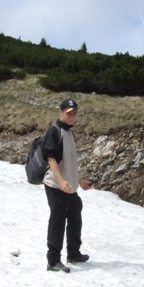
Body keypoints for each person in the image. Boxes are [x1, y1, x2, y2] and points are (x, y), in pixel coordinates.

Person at [41, 98, 92, 273]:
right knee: (58, 219)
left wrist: (80, 181)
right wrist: (61, 180)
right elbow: (51, 159)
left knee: (75, 212)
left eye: (74, 113)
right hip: (55, 185)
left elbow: (71, 162)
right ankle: (53, 260)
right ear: (61, 112)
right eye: (69, 113)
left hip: (68, 186)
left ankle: (73, 253)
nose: (72, 116)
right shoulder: (54, 131)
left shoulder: (69, 132)